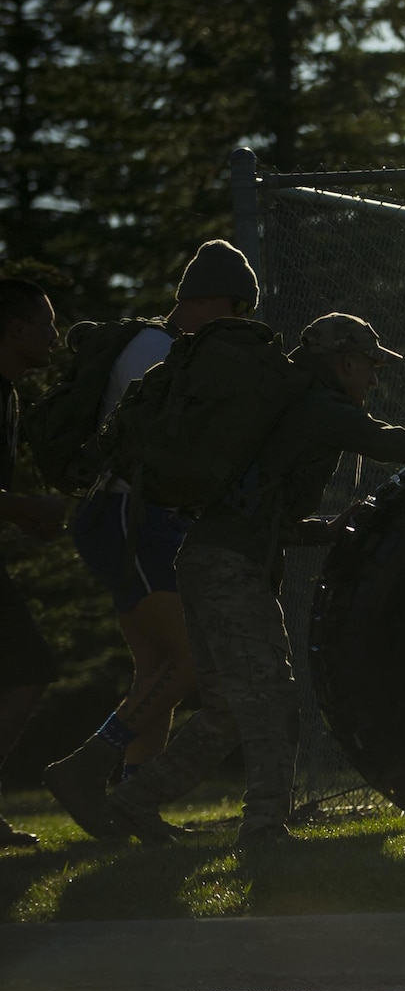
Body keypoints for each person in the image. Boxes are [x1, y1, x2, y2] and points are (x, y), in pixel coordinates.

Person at [52, 313, 405, 844]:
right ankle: (264, 823)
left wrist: (323, 530)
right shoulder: (318, 407)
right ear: (344, 362)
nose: (374, 380)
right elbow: (396, 442)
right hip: (228, 568)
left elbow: (258, 511)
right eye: (370, 366)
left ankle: (131, 803)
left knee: (227, 709)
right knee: (270, 695)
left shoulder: (287, 406)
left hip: (206, 559)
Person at [43, 243, 256, 802]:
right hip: (128, 517)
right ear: (205, 300)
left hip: (131, 518)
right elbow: (162, 444)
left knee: (158, 668)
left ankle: (132, 802)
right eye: (233, 311)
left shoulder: (163, 348)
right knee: (190, 659)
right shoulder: (155, 351)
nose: (235, 326)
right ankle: (86, 766)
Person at [0, 278, 64, 848]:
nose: (55, 334)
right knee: (29, 669)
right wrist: (26, 507)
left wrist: (22, 517)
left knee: (26, 670)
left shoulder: (10, 393)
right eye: (46, 322)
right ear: (15, 329)